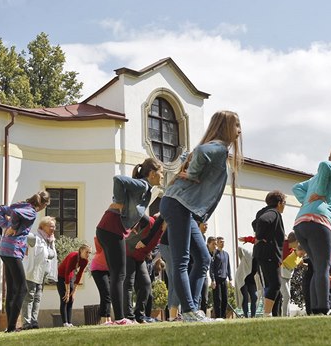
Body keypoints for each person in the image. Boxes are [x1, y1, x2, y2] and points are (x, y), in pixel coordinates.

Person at [159, 110, 242, 322]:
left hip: (183, 206)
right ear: (225, 127)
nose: (239, 131)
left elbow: (196, 154)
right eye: (236, 125)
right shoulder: (217, 148)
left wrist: (192, 169)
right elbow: (202, 151)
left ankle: (193, 310)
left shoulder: (218, 149)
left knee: (203, 257)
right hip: (177, 204)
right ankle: (187, 311)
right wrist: (193, 173)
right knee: (181, 260)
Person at [96, 158, 164, 325]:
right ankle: (120, 319)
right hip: (111, 227)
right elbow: (118, 179)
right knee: (119, 274)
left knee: (117, 274)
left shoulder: (145, 189)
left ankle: (119, 318)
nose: (163, 176)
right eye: (162, 173)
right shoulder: (143, 185)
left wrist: (131, 223)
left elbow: (133, 209)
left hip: (108, 227)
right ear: (153, 174)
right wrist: (118, 202)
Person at [292, 146, 331, 315]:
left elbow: (296, 188)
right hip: (318, 222)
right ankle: (325, 308)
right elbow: (325, 165)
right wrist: (319, 194)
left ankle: (315, 310)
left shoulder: (315, 179)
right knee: (323, 268)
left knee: (317, 268)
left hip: (300, 224)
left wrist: (307, 201)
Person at [0, 190, 51, 333]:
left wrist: (6, 225)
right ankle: (12, 327)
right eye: (45, 206)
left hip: (4, 249)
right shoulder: (31, 211)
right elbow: (15, 215)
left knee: (12, 290)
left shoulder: (20, 205)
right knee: (23, 289)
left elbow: (0, 209)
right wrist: (13, 227)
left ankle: (9, 327)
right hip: (13, 250)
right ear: (43, 204)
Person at [124, 215, 166, 323]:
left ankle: (139, 315)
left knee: (146, 284)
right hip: (128, 253)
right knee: (128, 283)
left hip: (139, 258)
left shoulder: (161, 233)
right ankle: (128, 317)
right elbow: (138, 213)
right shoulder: (151, 222)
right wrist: (130, 228)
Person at [252, 190, 287, 317]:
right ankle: (267, 314)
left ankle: (274, 314)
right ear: (279, 203)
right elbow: (263, 221)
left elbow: (254, 223)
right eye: (284, 203)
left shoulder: (264, 211)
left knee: (272, 285)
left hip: (265, 254)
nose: (284, 206)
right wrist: (261, 236)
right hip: (268, 254)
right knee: (275, 284)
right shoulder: (273, 213)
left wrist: (263, 236)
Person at [21, 216, 58, 330]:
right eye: (50, 226)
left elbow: (51, 256)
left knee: (37, 298)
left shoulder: (50, 240)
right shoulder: (35, 238)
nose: (53, 228)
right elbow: (22, 235)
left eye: (54, 226)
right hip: (32, 273)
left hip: (42, 275)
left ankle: (34, 321)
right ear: (42, 226)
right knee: (30, 297)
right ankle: (26, 323)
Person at [57, 244, 91, 327]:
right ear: (81, 251)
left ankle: (70, 322)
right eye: (87, 252)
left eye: (89, 253)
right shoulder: (73, 257)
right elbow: (67, 273)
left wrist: (74, 291)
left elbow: (79, 274)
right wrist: (67, 292)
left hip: (71, 277)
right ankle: (65, 323)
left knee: (71, 299)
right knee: (65, 298)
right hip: (61, 276)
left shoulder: (85, 261)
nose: (88, 255)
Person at [236, 242, 261, 318]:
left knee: (254, 297)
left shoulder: (260, 260)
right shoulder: (249, 255)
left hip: (251, 281)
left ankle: (253, 315)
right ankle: (246, 315)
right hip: (243, 278)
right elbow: (239, 249)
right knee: (245, 297)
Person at [91, 237, 112, 325]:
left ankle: (109, 319)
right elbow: (97, 237)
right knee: (105, 293)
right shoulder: (105, 243)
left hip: (109, 270)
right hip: (98, 269)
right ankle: (104, 320)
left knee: (109, 294)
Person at [278, 232, 300, 317]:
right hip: (280, 273)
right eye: (297, 242)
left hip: (287, 274)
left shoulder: (292, 250)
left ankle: (287, 315)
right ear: (294, 241)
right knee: (286, 295)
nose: (298, 244)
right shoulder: (283, 246)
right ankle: (284, 316)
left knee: (287, 296)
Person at [210, 237, 232, 319]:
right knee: (217, 299)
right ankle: (218, 317)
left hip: (224, 279)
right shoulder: (215, 253)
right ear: (217, 243)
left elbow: (228, 267)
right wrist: (213, 279)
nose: (222, 243)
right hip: (217, 279)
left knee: (225, 299)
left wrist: (230, 278)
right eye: (220, 242)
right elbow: (211, 268)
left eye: (223, 242)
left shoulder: (226, 254)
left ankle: (223, 316)